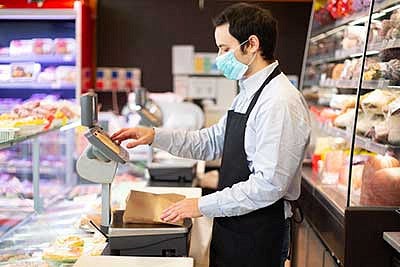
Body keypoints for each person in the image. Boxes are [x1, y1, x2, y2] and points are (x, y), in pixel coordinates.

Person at [111, 3, 311, 267]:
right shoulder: (248, 93)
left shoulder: (280, 101)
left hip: (260, 233)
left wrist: (201, 205)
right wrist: (154, 136)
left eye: (225, 48)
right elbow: (211, 142)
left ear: (251, 44)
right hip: (235, 225)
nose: (219, 57)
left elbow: (269, 185)